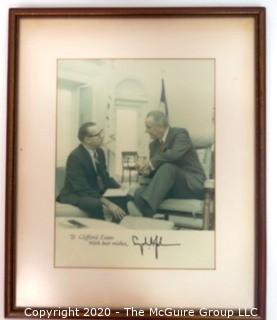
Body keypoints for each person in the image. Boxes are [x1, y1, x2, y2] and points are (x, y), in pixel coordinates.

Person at [133, 110, 206, 217]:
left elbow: (174, 155)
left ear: (160, 126)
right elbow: (157, 171)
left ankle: (146, 211)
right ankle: (146, 215)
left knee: (168, 168)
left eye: (148, 127)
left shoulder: (180, 134)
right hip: (170, 186)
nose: (146, 131)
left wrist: (150, 163)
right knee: (139, 192)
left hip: (191, 186)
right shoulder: (153, 145)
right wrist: (146, 171)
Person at [57, 122, 129, 221]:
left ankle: (116, 227)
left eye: (101, 132)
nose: (102, 136)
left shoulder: (100, 152)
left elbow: (105, 177)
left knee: (123, 197)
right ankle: (101, 230)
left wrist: (120, 187)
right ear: (87, 139)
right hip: (75, 193)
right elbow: (82, 188)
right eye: (98, 134)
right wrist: (108, 203)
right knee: (95, 204)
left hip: (92, 190)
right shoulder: (75, 157)